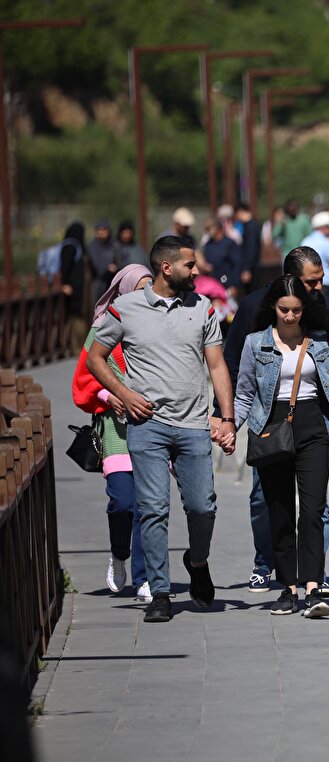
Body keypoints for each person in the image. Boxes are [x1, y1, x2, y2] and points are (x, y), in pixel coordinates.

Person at [86, 236, 237, 623]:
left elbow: (217, 366)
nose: (197, 270)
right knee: (153, 510)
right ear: (166, 268)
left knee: (203, 507)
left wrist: (227, 417)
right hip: (147, 426)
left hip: (193, 424)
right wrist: (124, 394)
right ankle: (160, 592)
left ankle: (197, 561)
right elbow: (94, 358)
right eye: (190, 265)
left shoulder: (203, 308)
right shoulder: (125, 309)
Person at [218, 246, 329, 596]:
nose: (319, 288)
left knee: (315, 505)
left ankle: (313, 575)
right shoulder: (254, 309)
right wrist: (225, 418)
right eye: (311, 282)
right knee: (268, 501)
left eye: (320, 281)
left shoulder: (323, 311)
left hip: (312, 419)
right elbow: (235, 369)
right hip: (268, 422)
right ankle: (265, 563)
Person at [71, 264, 154, 601]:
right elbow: (82, 382)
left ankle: (144, 579)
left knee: (148, 506)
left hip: (150, 426)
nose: (146, 295)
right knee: (122, 503)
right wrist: (109, 395)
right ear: (123, 292)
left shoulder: (157, 325)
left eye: (150, 287)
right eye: (139, 288)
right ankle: (119, 553)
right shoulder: (102, 328)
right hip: (115, 431)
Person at [60, 222, 92, 352]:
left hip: (82, 289)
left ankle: (83, 348)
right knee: (77, 316)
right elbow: (65, 267)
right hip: (74, 290)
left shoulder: (79, 247)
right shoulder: (70, 246)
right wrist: (65, 283)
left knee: (83, 315)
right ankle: (77, 348)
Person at [301, 211, 329, 300]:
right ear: (323, 227)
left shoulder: (305, 241)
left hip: (308, 283)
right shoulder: (325, 242)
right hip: (325, 282)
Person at [202, 217, 243, 299]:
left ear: (218, 228)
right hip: (213, 285)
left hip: (228, 284)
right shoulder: (208, 245)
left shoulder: (230, 243)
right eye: (207, 229)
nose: (208, 231)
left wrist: (235, 285)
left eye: (210, 228)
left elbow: (237, 264)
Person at [87, 220, 118, 300]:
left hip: (112, 279)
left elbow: (120, 259)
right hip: (97, 281)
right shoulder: (92, 246)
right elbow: (94, 264)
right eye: (100, 230)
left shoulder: (115, 244)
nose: (102, 232)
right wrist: (106, 268)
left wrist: (116, 267)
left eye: (104, 230)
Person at [234, 202, 261, 292]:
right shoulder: (251, 225)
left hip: (251, 268)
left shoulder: (250, 227)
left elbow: (250, 249)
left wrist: (246, 269)